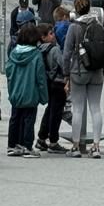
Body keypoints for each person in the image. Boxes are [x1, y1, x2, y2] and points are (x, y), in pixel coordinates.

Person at [63, 0, 104, 157]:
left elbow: (67, 53)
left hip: (78, 71)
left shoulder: (74, 27)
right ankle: (96, 146)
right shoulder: (99, 25)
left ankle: (75, 146)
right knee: (96, 108)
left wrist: (66, 74)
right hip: (96, 72)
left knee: (78, 109)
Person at [5, 22, 49, 156]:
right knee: (29, 120)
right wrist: (44, 96)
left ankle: (12, 145)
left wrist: (11, 90)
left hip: (16, 94)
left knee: (15, 118)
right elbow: (40, 77)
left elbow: (9, 73)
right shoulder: (36, 55)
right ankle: (27, 146)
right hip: (31, 94)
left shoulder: (13, 53)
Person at [35, 23, 68, 154]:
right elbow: (63, 65)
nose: (53, 35)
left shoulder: (38, 49)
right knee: (56, 113)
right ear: (43, 37)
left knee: (50, 110)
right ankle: (53, 141)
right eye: (50, 33)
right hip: (58, 83)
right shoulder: (54, 50)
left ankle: (41, 138)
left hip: (48, 82)